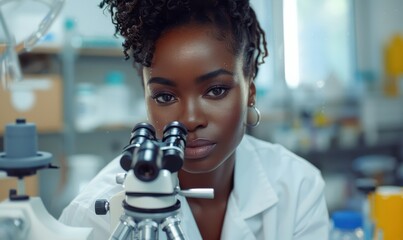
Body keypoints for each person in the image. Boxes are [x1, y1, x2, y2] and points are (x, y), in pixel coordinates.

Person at [59, 0, 330, 239]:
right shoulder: (94, 216)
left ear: (250, 89)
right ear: (145, 96)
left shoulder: (297, 188)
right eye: (165, 97)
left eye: (216, 90)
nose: (190, 119)